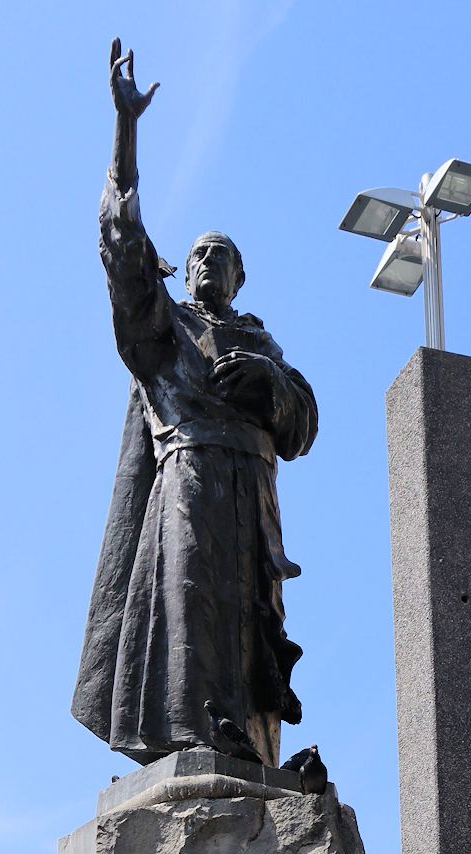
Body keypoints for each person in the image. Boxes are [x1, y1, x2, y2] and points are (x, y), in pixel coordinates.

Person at [72, 40, 318, 768]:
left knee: (252, 622)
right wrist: (126, 134)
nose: (208, 261)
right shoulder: (163, 329)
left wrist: (272, 387)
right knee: (190, 605)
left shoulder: (261, 344)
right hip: (190, 478)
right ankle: (190, 732)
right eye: (200, 252)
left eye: (223, 255)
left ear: (240, 277)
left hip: (256, 491)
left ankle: (251, 743)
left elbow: (303, 423)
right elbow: (120, 250)